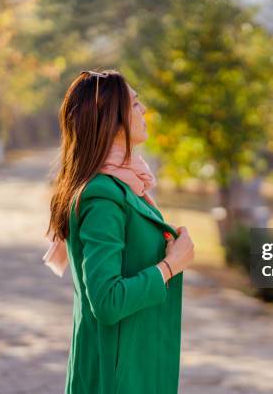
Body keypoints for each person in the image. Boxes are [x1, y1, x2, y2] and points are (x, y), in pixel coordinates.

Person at [45, 69, 195, 394]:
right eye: (136, 104)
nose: (143, 111)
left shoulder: (124, 183)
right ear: (112, 120)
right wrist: (172, 265)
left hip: (131, 361)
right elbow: (107, 300)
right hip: (115, 374)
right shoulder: (103, 195)